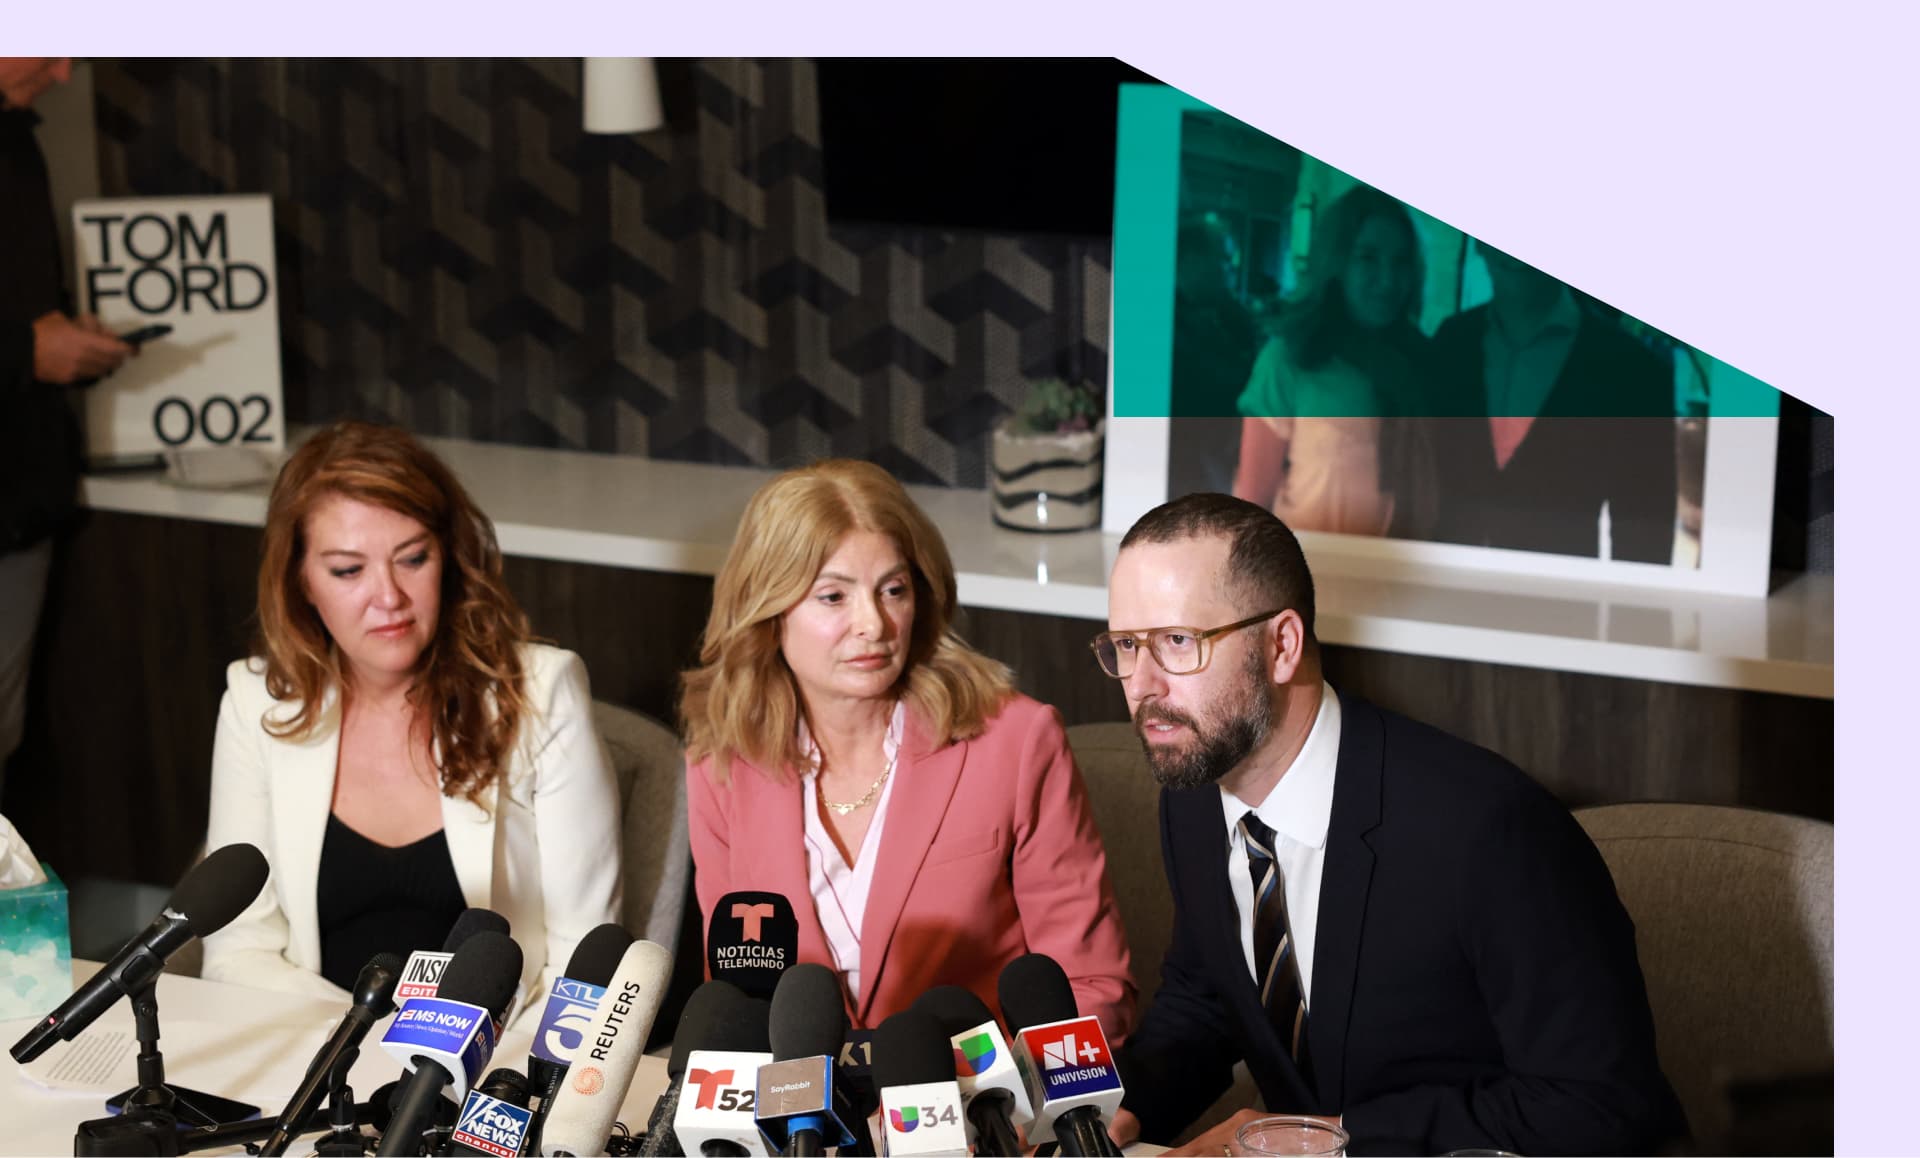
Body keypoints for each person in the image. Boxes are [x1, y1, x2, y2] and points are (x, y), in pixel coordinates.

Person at [1098, 492, 1684, 1156]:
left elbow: (1600, 1104)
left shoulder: (1488, 828)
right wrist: (1122, 1110)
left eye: (1178, 642)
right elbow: (1206, 997)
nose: (1142, 683)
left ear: (1282, 646)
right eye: (1124, 644)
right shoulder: (1195, 794)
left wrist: (1321, 1141)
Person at [681, 458, 1135, 1035]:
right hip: (803, 1114)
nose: (873, 623)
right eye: (833, 597)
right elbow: (735, 1002)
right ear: (769, 612)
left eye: (892, 590)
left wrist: (1007, 1116)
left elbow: (1091, 987)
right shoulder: (721, 764)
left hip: (983, 1108)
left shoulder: (1015, 742)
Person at [202, 422, 621, 1025]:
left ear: (449, 557)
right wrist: (357, 1047)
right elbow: (238, 952)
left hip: (490, 1072)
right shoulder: (255, 702)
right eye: (348, 570)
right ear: (301, 580)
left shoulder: (541, 693)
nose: (389, 597)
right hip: (315, 1062)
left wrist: (480, 1076)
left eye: (413, 558)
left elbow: (584, 971)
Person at [1, 57, 133, 798]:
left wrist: (60, 344)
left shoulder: (17, 137)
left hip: (24, 497)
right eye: (48, 45)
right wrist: (27, 351)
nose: (62, 72)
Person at [1426, 241, 1678, 562]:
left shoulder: (1635, 371)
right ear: (1478, 244)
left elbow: (1646, 544)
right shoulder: (1450, 344)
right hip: (1437, 597)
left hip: (1559, 605)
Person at [1231, 184, 1437, 540]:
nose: (1389, 281)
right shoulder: (1291, 358)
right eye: (1368, 258)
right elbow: (1251, 500)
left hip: (1404, 579)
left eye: (1401, 261)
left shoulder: (1424, 359)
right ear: (1337, 262)